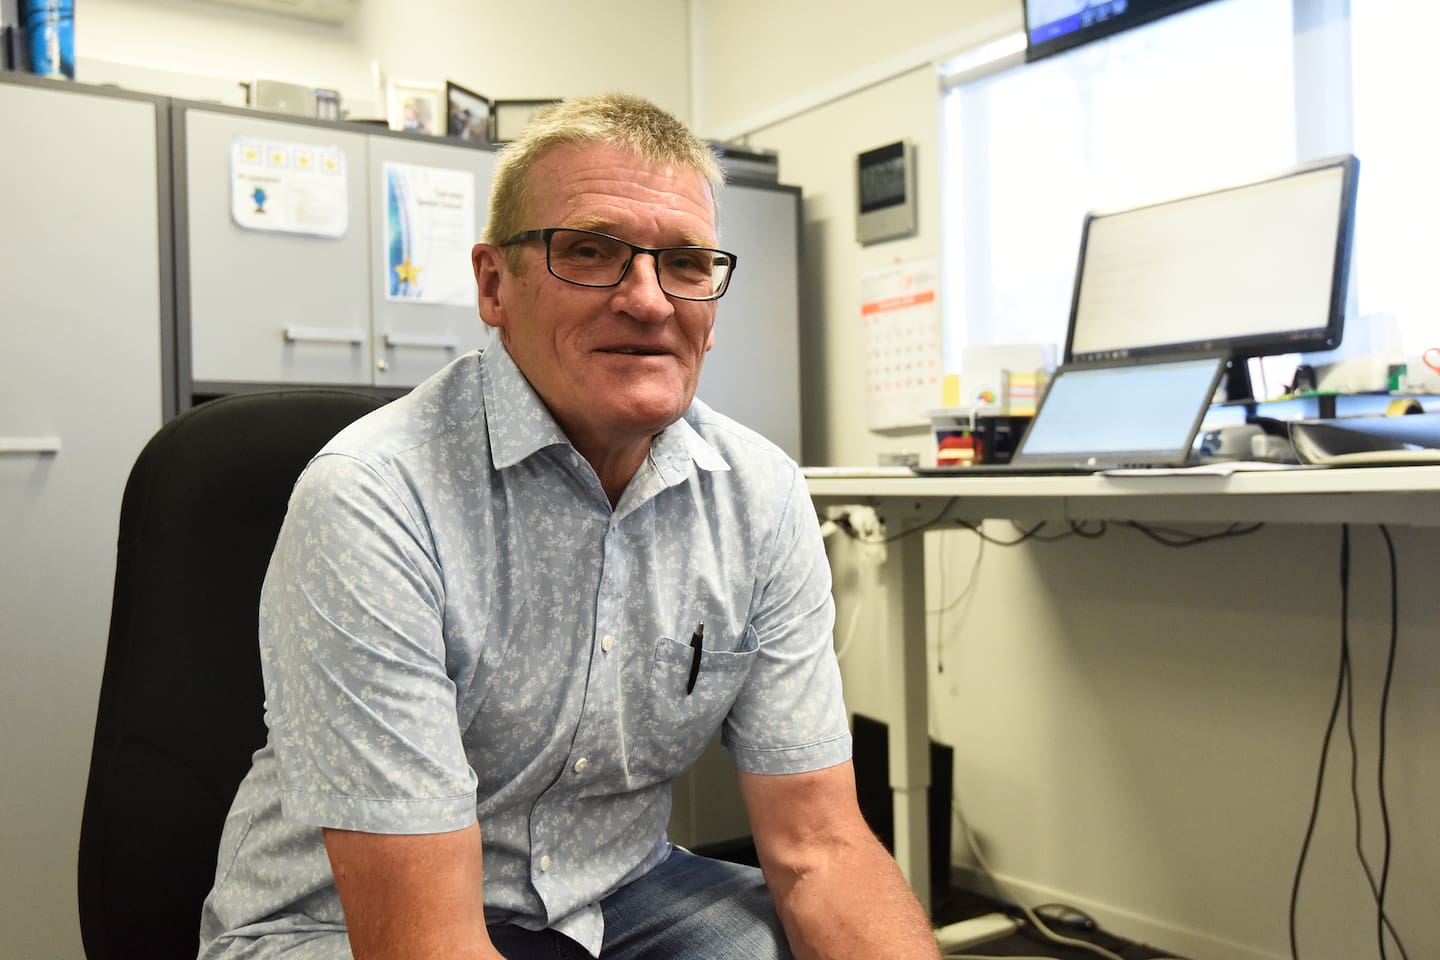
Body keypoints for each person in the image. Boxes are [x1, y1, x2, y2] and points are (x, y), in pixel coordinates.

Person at [197, 92, 939, 960]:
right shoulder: (374, 497)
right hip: (348, 926)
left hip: (622, 896)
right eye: (590, 252)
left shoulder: (761, 498)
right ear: (492, 283)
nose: (648, 300)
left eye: (687, 264)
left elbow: (821, 847)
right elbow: (423, 941)